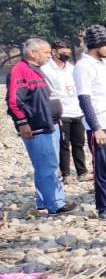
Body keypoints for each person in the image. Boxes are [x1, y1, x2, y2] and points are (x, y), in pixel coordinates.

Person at [6, 38, 76, 215]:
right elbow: (14, 101)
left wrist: (56, 117)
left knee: (44, 165)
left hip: (50, 123)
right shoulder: (20, 70)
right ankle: (56, 204)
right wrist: (22, 122)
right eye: (45, 52)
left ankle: (43, 201)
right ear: (32, 53)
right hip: (37, 127)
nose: (49, 55)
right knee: (48, 165)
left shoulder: (36, 69)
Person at [74, 24, 106, 220]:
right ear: (97, 45)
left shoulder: (102, 63)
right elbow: (85, 99)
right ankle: (104, 207)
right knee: (102, 167)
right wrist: (96, 127)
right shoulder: (83, 66)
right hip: (99, 124)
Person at [40, 40, 89, 182]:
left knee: (79, 143)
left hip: (77, 110)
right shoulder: (46, 70)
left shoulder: (72, 68)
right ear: (54, 52)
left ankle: (82, 172)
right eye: (63, 51)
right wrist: (54, 113)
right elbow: (47, 93)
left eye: (68, 51)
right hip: (61, 112)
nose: (66, 54)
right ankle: (65, 174)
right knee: (64, 144)